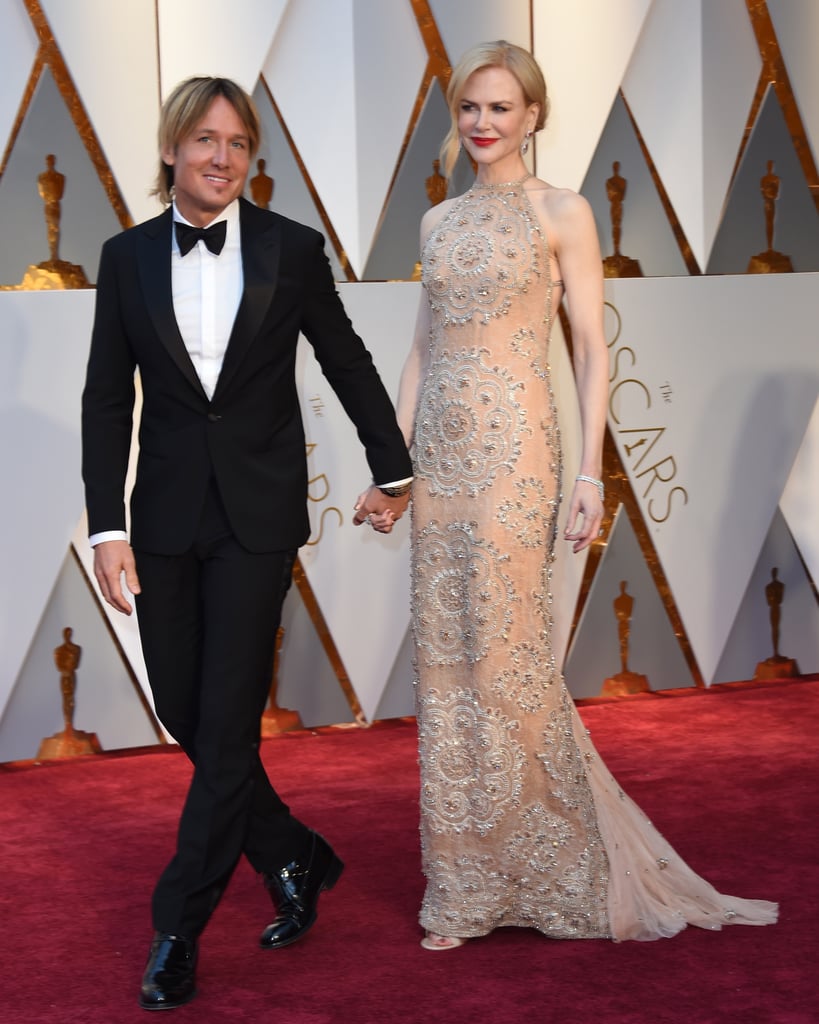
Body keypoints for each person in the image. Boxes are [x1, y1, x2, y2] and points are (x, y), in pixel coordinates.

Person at [389, 40, 777, 951]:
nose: (484, 124)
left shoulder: (561, 213)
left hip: (517, 453)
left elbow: (592, 351)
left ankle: (557, 868)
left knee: (510, 657)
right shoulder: (437, 225)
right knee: (448, 668)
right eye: (471, 108)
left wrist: (588, 473)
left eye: (501, 108)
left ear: (532, 116)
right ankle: (467, 882)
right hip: (440, 462)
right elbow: (420, 347)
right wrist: (393, 464)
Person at [81, 76, 412, 1010]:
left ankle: (177, 926)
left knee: (224, 719)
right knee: (191, 714)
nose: (222, 157)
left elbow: (345, 359)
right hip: (164, 519)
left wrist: (394, 468)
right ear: (172, 151)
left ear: (249, 158)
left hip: (258, 521)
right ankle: (293, 854)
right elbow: (108, 399)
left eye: (237, 143)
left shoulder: (290, 248)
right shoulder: (125, 256)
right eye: (204, 141)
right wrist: (107, 526)